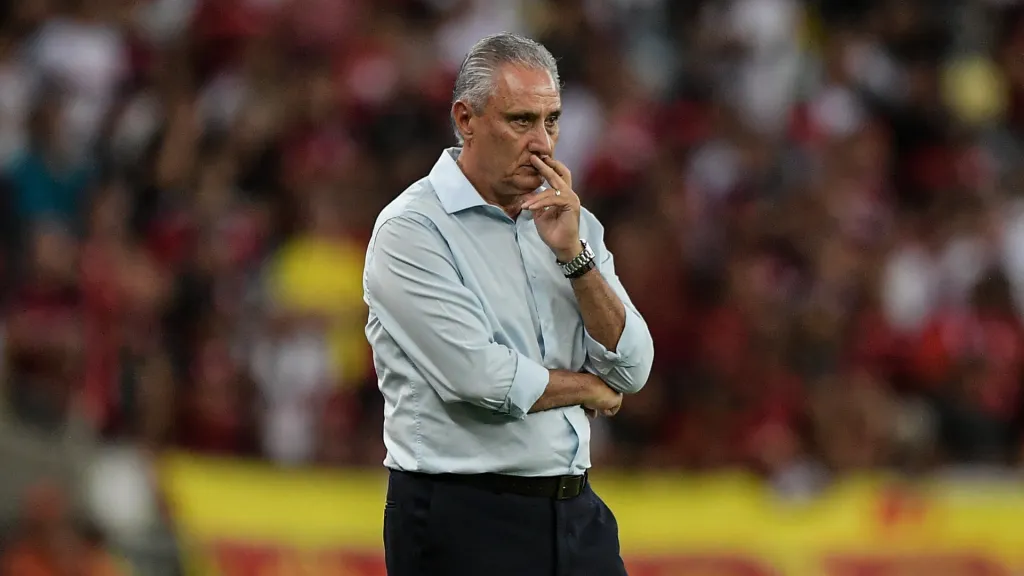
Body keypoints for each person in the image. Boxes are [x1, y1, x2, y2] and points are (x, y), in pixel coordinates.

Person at [363, 32, 655, 576]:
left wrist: (574, 257)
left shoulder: (571, 224)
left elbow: (633, 365)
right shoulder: (412, 230)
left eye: (552, 120)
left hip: (576, 512)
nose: (543, 143)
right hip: (462, 516)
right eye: (522, 121)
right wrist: (588, 387)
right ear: (466, 119)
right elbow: (479, 377)